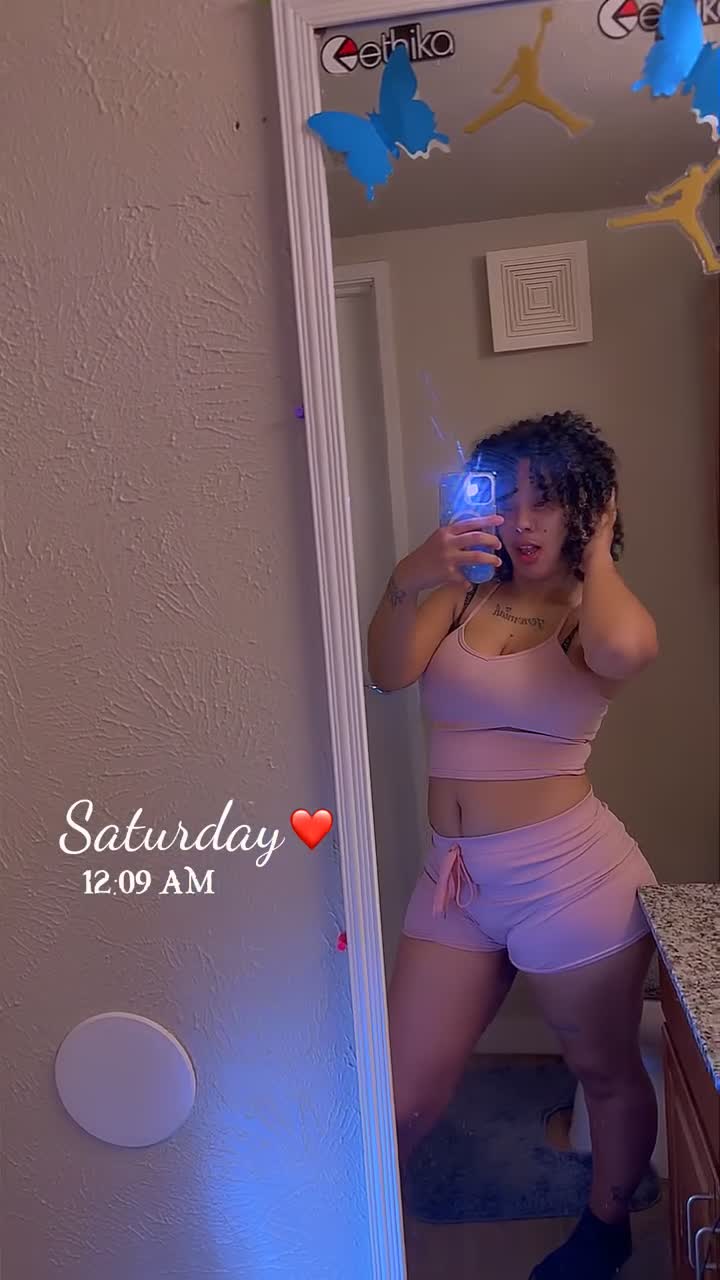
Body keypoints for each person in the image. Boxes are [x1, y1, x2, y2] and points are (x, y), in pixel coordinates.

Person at [367, 412, 659, 1280]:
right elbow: (388, 670)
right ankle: (359, 1234)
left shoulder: (586, 615)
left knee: (604, 1071)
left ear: (587, 508)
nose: (524, 521)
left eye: (550, 501)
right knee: (399, 1097)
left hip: (572, 883)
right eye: (508, 498)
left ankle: (605, 1229)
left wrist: (597, 551)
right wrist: (411, 573)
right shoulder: (464, 593)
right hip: (457, 882)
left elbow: (627, 649)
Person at [464, 8, 590, 138]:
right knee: (552, 107)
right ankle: (574, 124)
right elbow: (509, 75)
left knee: (500, 109)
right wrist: (500, 87)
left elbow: (538, 41)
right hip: (526, 91)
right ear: (524, 54)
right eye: (524, 52)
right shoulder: (527, 59)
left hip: (529, 91)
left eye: (524, 52)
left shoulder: (526, 59)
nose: (525, 53)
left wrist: (543, 25)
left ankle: (574, 124)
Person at [608, 157, 720, 275]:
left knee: (699, 238)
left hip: (685, 212)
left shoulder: (696, 180)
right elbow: (713, 169)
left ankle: (711, 263)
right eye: (698, 170)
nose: (701, 171)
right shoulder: (699, 180)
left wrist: (660, 196)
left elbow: (671, 189)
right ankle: (710, 263)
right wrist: (660, 196)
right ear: (695, 172)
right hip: (683, 210)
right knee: (699, 238)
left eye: (700, 170)